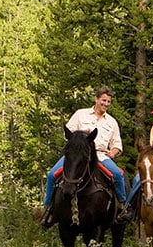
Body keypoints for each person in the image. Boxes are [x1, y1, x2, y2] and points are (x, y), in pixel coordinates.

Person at [39, 87, 127, 226]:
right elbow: (67, 133)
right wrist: (80, 135)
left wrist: (113, 152)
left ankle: (122, 207)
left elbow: (117, 145)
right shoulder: (81, 114)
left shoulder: (112, 122)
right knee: (51, 175)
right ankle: (49, 209)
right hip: (77, 154)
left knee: (117, 175)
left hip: (100, 155)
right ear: (96, 99)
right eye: (103, 100)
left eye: (109, 101)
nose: (106, 104)